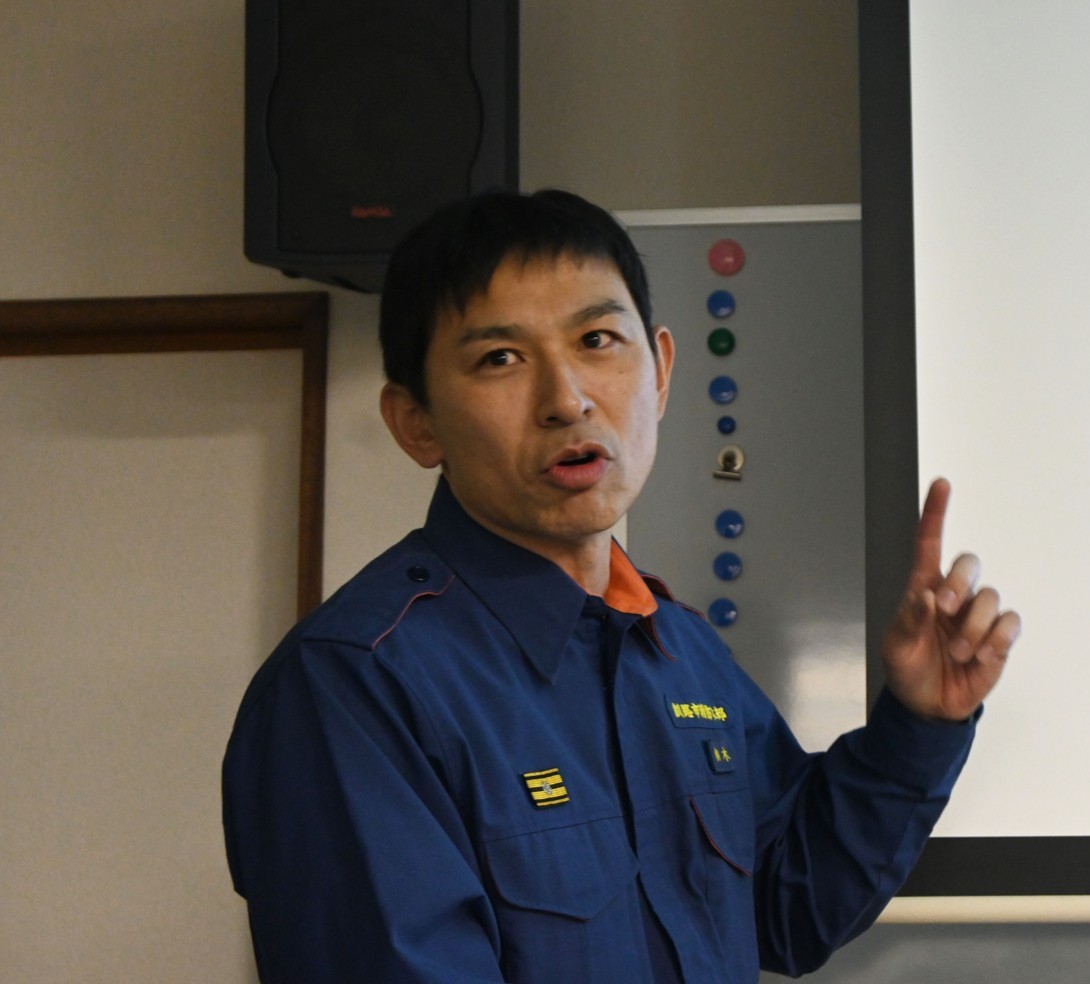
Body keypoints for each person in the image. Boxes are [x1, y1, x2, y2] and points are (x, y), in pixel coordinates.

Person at [222, 188, 1021, 982]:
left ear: (661, 372)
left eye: (597, 340)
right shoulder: (355, 683)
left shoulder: (679, 650)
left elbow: (787, 909)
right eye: (500, 358)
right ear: (416, 423)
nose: (566, 399)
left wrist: (920, 723)